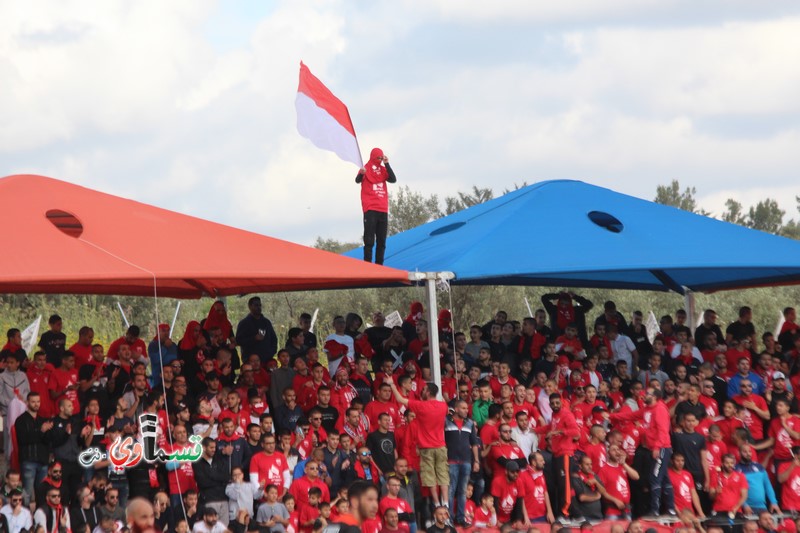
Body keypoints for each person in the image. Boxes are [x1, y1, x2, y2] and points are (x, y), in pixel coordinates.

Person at [386, 377, 449, 511]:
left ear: (428, 392)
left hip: (426, 448)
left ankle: (437, 504)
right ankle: (446, 502)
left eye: (424, 389)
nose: (422, 390)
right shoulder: (443, 406)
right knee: (443, 475)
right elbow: (444, 403)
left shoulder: (421, 406)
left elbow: (400, 400)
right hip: (441, 446)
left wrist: (392, 384)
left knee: (430, 477)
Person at [356, 147, 397, 265]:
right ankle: (367, 265)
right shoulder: (366, 168)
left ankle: (379, 266)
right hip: (370, 208)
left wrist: (387, 164)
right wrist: (361, 174)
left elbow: (393, 179)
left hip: (383, 208)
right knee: (369, 239)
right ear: (373, 157)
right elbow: (357, 180)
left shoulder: (383, 170)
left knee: (382, 241)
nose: (379, 160)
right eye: (378, 158)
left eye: (381, 157)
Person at [235, 297, 278, 365]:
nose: (258, 307)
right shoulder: (244, 323)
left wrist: (271, 352)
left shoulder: (266, 322)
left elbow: (274, 339)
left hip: (266, 360)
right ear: (250, 306)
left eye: (260, 305)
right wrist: (254, 339)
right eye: (256, 305)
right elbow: (239, 341)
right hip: (250, 361)